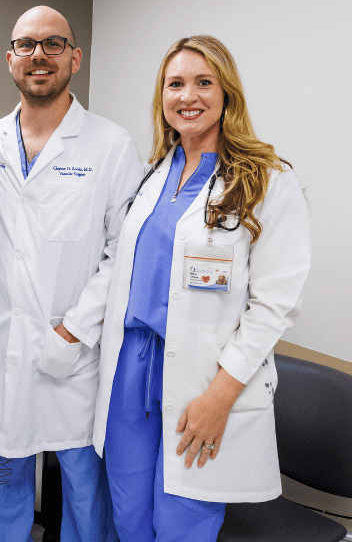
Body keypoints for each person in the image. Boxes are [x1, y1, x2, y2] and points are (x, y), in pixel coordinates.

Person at [93, 35, 311, 541]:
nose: (188, 96)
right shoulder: (153, 176)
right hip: (129, 371)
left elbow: (274, 305)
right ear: (162, 97)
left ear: (226, 91)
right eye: (176, 84)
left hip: (204, 377)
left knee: (181, 523)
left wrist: (220, 396)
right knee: (128, 516)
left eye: (203, 82)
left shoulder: (266, 182)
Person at [0, 6, 141, 541]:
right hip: (4, 340)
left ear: (74, 57)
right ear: (10, 59)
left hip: (75, 346)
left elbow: (124, 254)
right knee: (2, 473)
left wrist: (74, 329)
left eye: (52, 44)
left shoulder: (112, 146)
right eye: (26, 45)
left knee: (83, 483)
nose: (38, 55)